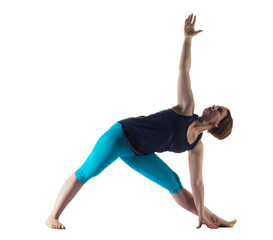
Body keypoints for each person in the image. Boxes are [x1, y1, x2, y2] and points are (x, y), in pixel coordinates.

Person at [46, 13, 237, 230]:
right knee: (86, 172)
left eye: (218, 110)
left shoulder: (196, 146)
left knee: (173, 182)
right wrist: (187, 39)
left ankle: (209, 217)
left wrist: (201, 211)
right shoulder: (186, 109)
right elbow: (184, 70)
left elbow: (198, 183)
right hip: (121, 136)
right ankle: (53, 215)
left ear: (217, 125)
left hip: (139, 153)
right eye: (217, 105)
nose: (214, 106)